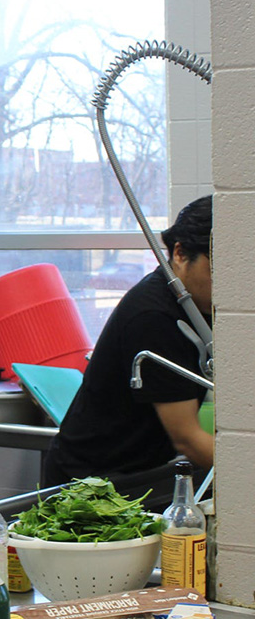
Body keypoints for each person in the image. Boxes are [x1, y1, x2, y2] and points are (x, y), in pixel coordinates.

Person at [43, 195, 213, 486]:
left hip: (145, 468)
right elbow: (187, 439)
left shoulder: (201, 303)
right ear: (180, 254)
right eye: (216, 270)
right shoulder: (153, 316)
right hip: (92, 481)